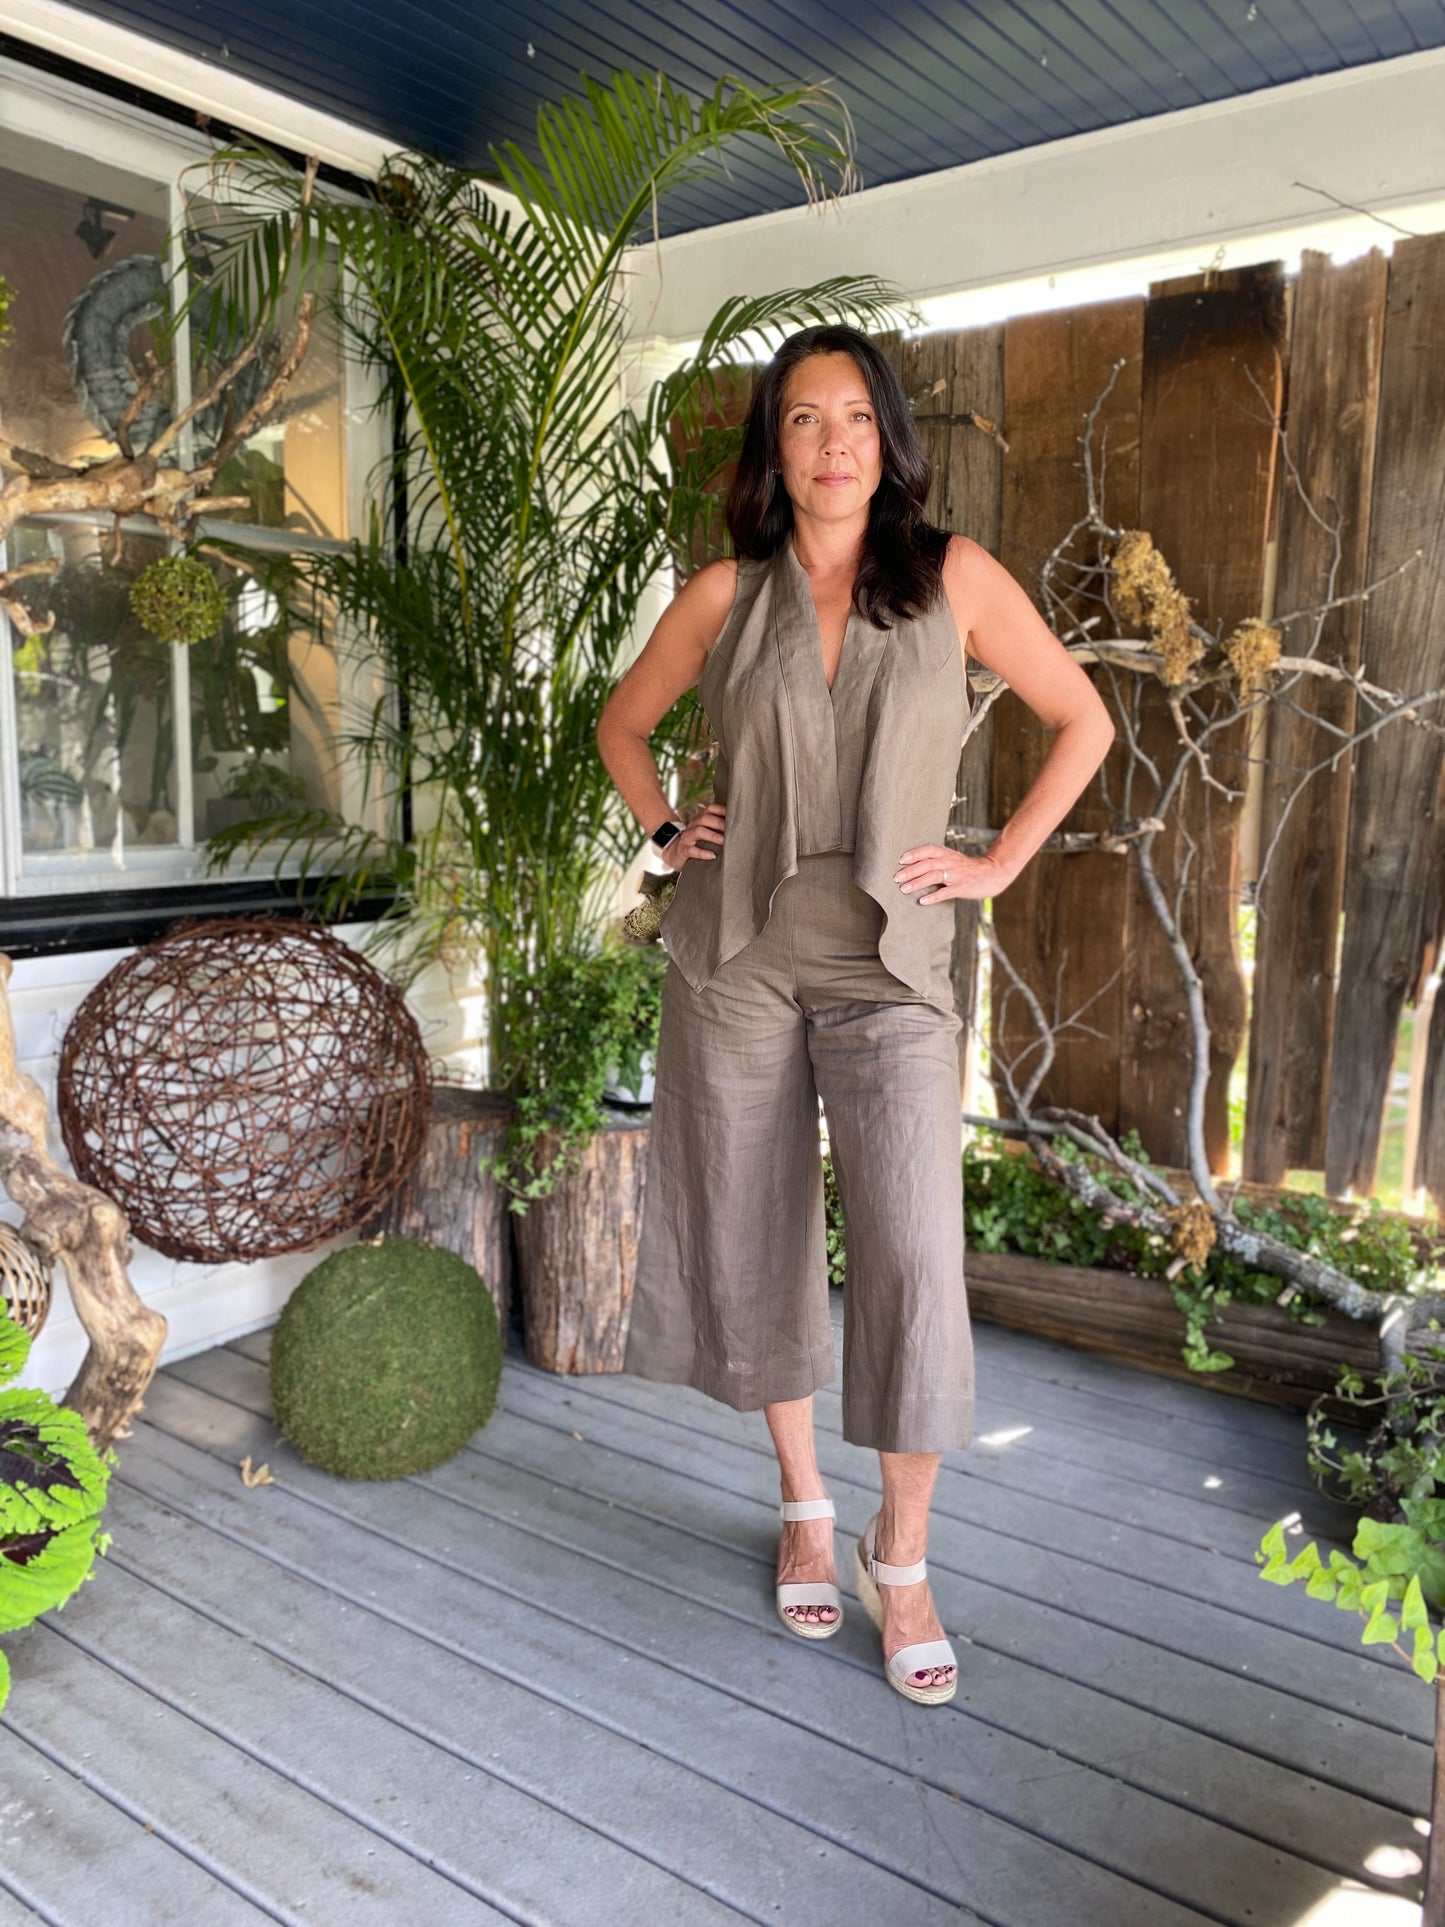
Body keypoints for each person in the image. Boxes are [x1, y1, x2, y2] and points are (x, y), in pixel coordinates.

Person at [596, 323, 1115, 1706]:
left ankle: (906, 1552)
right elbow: (621, 723)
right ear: (774, 449)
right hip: (737, 955)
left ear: (886, 442)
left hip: (892, 963)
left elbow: (1081, 720)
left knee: (911, 1247)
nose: (831, 443)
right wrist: (663, 830)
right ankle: (803, 1507)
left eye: (854, 419)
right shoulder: (723, 595)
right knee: (751, 1227)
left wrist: (996, 861)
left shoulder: (950, 579)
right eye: (803, 420)